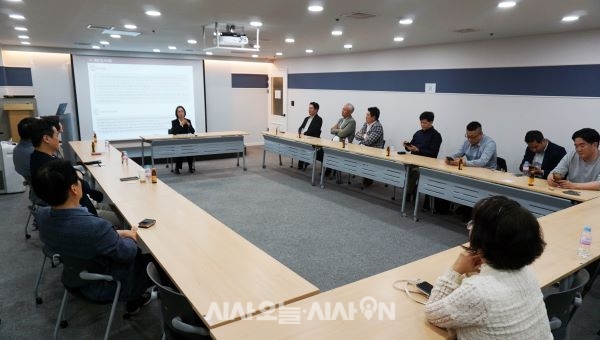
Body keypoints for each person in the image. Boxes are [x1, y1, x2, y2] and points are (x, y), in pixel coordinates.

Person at [32, 159, 155, 314]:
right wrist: (130, 236)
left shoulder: (42, 216)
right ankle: (139, 299)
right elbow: (127, 254)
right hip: (105, 284)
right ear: (75, 189)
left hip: (73, 278)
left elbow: (83, 237)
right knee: (157, 262)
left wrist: (116, 233)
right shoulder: (95, 227)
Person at [425, 196, 551, 339]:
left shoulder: (477, 291)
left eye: (474, 224)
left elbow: (432, 313)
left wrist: (456, 270)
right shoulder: (527, 272)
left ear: (483, 238)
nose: (471, 227)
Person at [29, 119, 103, 215]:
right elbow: (84, 186)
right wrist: (77, 174)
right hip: (81, 214)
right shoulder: (51, 167)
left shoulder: (37, 157)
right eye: (56, 135)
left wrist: (76, 173)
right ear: (46, 138)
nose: (59, 139)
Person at [404, 111, 443, 200]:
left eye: (425, 123)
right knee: (402, 167)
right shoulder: (418, 133)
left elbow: (433, 153)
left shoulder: (436, 135)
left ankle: (408, 193)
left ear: (431, 122)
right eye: (421, 122)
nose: (422, 124)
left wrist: (418, 150)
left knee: (413, 172)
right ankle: (409, 191)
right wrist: (407, 147)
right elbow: (412, 146)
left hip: (426, 164)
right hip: (413, 161)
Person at [320, 103, 356, 177]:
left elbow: (342, 134)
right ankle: (329, 169)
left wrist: (338, 130)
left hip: (344, 145)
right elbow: (331, 130)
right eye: (342, 109)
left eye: (345, 110)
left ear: (350, 112)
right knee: (322, 151)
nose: (342, 111)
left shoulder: (352, 121)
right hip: (335, 142)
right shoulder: (340, 120)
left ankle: (332, 171)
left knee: (331, 152)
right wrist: (339, 130)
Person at [355, 107, 384, 187]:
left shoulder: (378, 126)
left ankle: (368, 179)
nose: (366, 116)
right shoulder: (366, 124)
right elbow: (356, 136)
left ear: (373, 117)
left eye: (368, 115)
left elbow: (369, 141)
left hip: (374, 151)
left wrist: (363, 136)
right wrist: (365, 136)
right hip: (364, 149)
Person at [297, 102, 323, 170]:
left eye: (311, 108)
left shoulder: (319, 119)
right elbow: (300, 127)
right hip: (303, 138)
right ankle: (302, 161)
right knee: (296, 144)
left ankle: (305, 161)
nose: (309, 110)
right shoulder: (306, 118)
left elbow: (314, 131)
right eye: (309, 108)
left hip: (312, 140)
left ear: (316, 110)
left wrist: (304, 134)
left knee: (303, 145)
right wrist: (300, 132)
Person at [170, 105, 196, 174]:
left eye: (182, 111)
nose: (180, 113)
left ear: (184, 113)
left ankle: (190, 167)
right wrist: (181, 124)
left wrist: (188, 124)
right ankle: (177, 168)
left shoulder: (188, 121)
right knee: (179, 149)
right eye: (179, 112)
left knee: (190, 148)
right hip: (177, 142)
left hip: (186, 141)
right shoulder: (174, 122)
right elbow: (174, 132)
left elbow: (193, 131)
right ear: (177, 113)